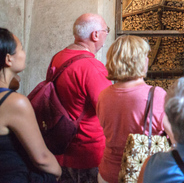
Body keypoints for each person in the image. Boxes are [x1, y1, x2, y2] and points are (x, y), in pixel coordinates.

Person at [96, 35, 168, 183]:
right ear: (141, 61)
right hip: (143, 173)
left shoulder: (103, 95)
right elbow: (175, 135)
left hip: (107, 173)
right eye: (145, 56)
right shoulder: (156, 95)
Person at [51, 13, 112, 183]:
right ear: (95, 35)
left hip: (60, 148)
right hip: (88, 154)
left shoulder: (58, 58)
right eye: (106, 30)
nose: (106, 34)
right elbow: (108, 110)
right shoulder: (92, 67)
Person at [0, 28, 62, 182]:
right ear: (8, 59)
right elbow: (41, 158)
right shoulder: (14, 102)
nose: (24, 52)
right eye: (21, 47)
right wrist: (58, 172)